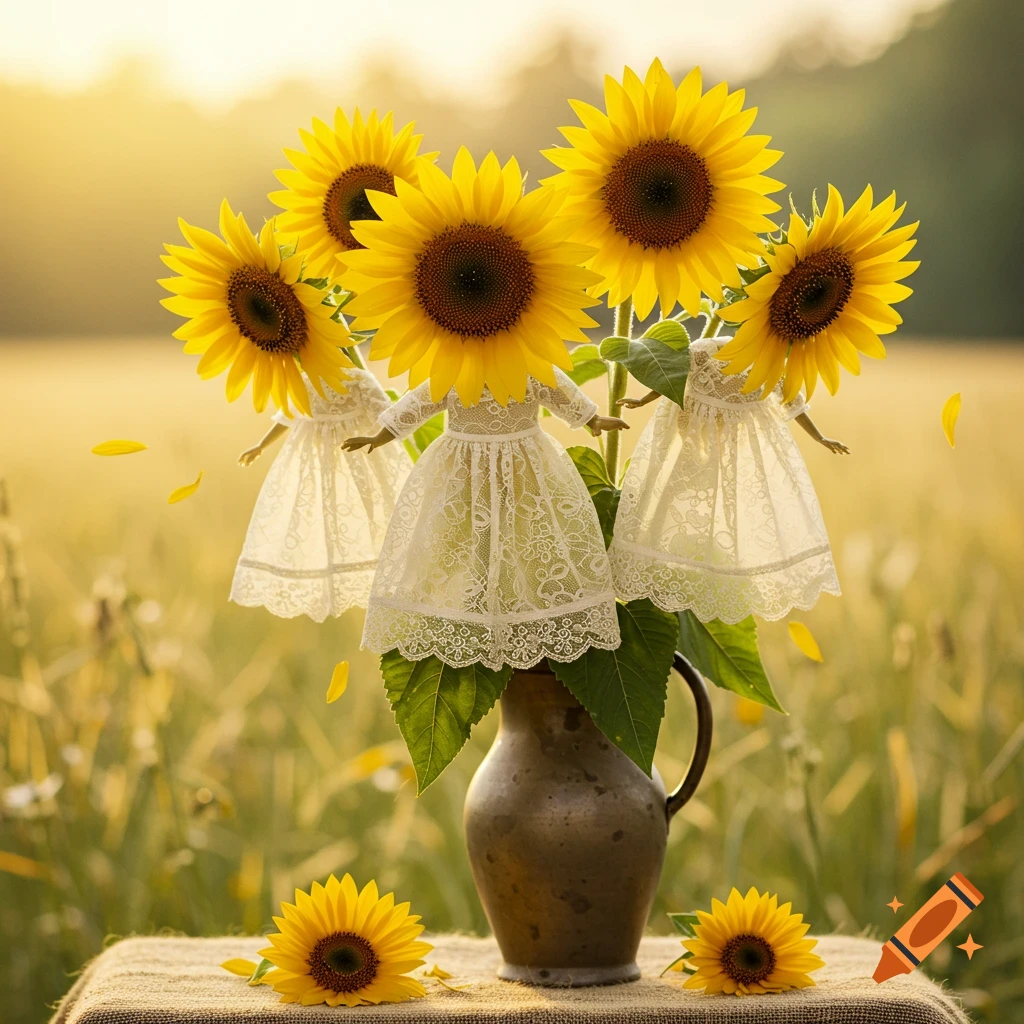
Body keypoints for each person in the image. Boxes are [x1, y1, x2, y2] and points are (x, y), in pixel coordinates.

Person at [343, 369, 628, 671]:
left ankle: (525, 613)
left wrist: (592, 419)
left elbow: (558, 389)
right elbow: (418, 402)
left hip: (522, 464)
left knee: (530, 537)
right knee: (455, 538)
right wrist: (380, 436)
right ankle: (463, 611)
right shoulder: (453, 370)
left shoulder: (528, 368)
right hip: (465, 465)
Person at [609, 334, 846, 623]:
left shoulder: (768, 365)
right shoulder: (702, 354)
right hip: (693, 428)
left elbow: (792, 404)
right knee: (672, 495)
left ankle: (689, 564)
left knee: (721, 508)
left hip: (734, 442)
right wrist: (643, 399)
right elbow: (671, 379)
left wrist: (820, 437)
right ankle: (657, 556)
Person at [230, 368, 411, 622]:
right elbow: (289, 415)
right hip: (312, 460)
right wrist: (261, 445)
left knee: (370, 508)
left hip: (357, 454)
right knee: (314, 515)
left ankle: (382, 565)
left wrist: (378, 437)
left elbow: (386, 413)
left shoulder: (357, 379)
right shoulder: (306, 380)